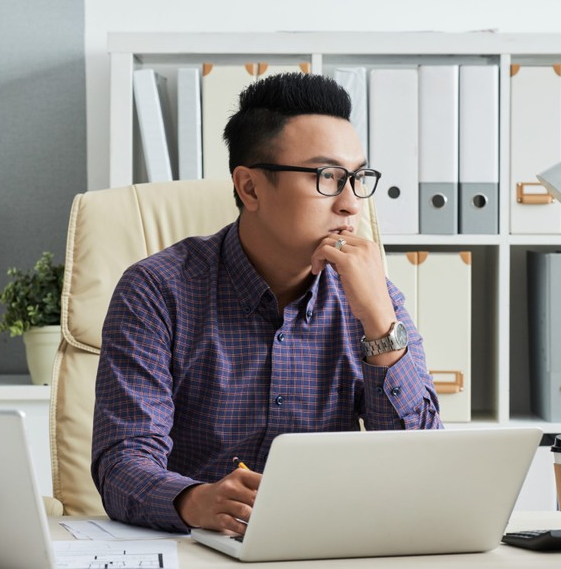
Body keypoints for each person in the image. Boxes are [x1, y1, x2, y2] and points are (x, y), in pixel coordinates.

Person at [92, 72, 441, 534]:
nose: (351, 204)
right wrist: (196, 501)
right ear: (250, 187)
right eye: (327, 176)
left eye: (357, 178)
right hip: (198, 546)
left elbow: (420, 468)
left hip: (324, 544)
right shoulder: (156, 291)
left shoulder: (373, 296)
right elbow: (122, 460)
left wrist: (378, 321)